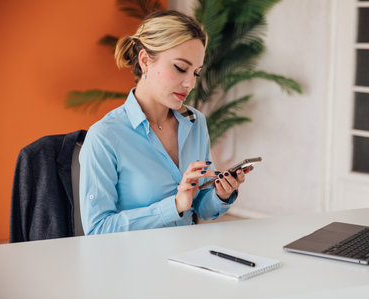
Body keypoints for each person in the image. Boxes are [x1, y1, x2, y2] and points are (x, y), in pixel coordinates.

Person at [79, 10, 251, 235]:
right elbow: (97, 230)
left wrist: (221, 195)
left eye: (196, 73)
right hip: (133, 265)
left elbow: (202, 208)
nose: (190, 83)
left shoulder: (195, 123)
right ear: (145, 62)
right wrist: (174, 206)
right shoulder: (105, 136)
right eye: (180, 68)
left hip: (186, 257)